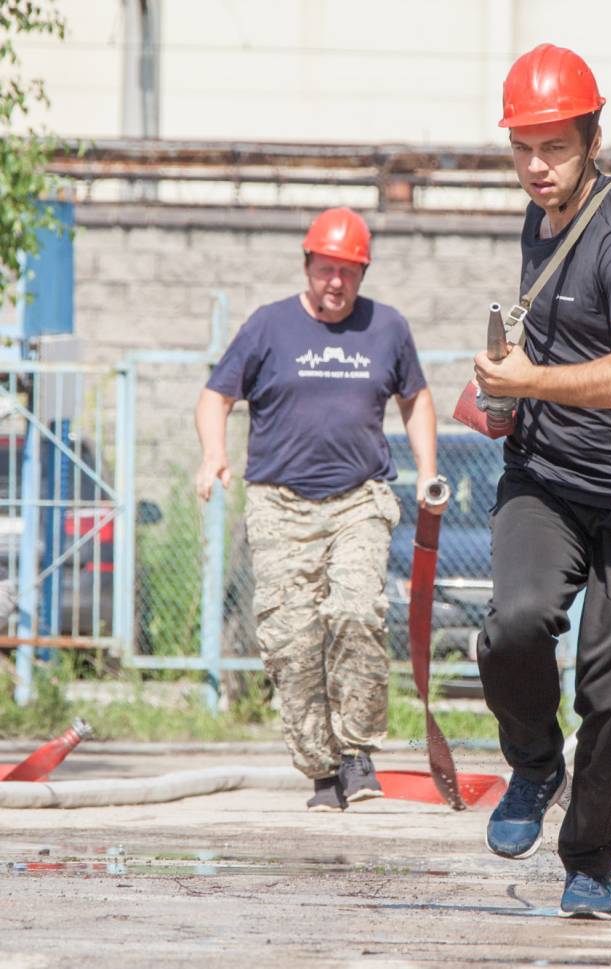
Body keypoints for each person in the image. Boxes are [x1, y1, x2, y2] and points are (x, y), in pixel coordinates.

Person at [471, 44, 611, 920]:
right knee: (515, 624)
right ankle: (533, 762)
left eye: (555, 146)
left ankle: (589, 862)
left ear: (593, 137)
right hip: (549, 476)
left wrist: (525, 381)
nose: (536, 166)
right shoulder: (540, 218)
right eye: (523, 147)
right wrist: (505, 381)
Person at [193, 207, 438, 812]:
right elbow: (215, 395)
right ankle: (321, 770)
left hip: (360, 497)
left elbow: (416, 398)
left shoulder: (387, 328)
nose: (335, 282)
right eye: (326, 269)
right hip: (279, 503)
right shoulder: (268, 327)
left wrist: (429, 471)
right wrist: (212, 456)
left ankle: (357, 750)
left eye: (348, 272)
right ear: (307, 266)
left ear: (362, 273)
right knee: (292, 642)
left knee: (358, 610)